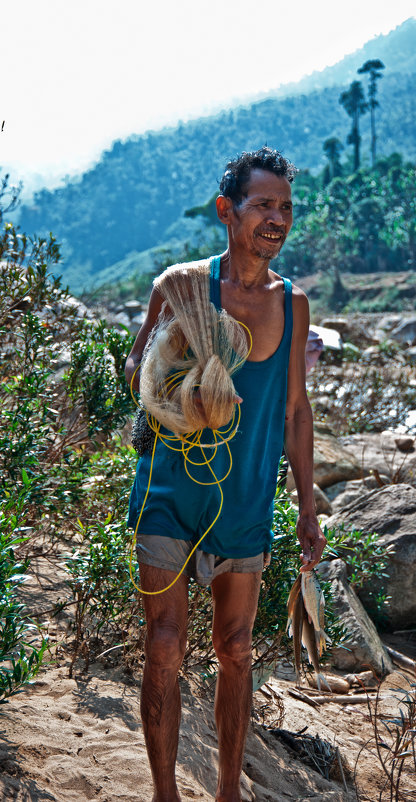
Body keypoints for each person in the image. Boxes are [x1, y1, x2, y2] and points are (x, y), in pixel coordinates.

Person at [124, 146, 326, 802]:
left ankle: (229, 793)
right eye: (264, 205)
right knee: (165, 644)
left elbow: (296, 410)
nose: (278, 218)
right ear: (227, 211)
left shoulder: (292, 305)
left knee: (236, 650)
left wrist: (306, 506)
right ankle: (164, 794)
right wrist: (190, 389)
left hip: (243, 504)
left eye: (286, 208)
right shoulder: (179, 286)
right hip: (168, 492)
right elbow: (137, 376)